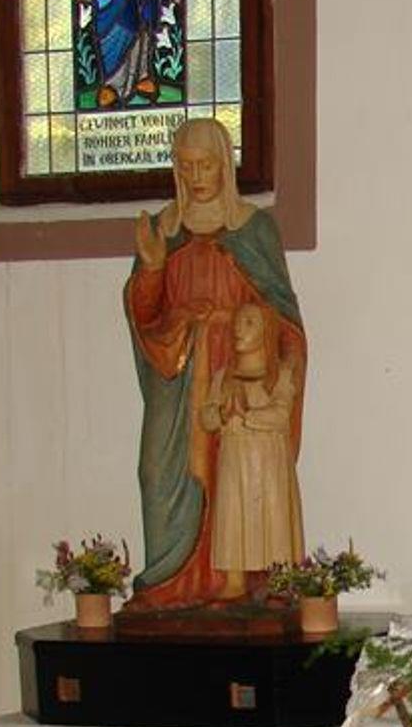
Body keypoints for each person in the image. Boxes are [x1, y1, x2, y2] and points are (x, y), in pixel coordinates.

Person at [125, 118, 306, 610]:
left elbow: (282, 313)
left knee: (245, 476)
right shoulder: (165, 229)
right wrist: (154, 267)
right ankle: (170, 583)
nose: (196, 176)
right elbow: (145, 314)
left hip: (238, 371)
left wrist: (261, 350)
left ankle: (245, 581)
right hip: (180, 376)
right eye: (186, 167)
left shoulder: (254, 228)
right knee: (156, 471)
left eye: (205, 165)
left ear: (225, 165)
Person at [202, 301, 304, 579]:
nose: (239, 328)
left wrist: (245, 414)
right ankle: (234, 580)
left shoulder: (281, 375)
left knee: (273, 517)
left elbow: (281, 414)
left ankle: (278, 579)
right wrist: (221, 414)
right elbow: (207, 417)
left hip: (269, 460)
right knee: (233, 516)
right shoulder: (223, 377)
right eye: (237, 321)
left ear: (266, 331)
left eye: (249, 323)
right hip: (234, 459)